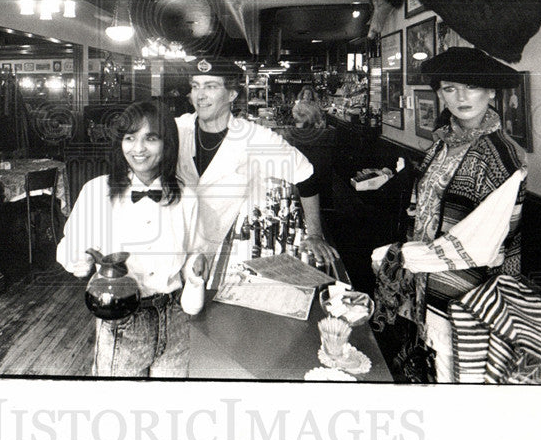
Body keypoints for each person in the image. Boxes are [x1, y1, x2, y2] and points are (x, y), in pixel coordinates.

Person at [370, 47, 526, 383]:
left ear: (491, 91)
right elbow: (423, 208)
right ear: (440, 94)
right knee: (429, 369)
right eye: (450, 88)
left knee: (461, 378)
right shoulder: (441, 145)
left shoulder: (502, 154)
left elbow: (484, 244)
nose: (461, 97)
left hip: (473, 292)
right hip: (427, 284)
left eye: (471, 86)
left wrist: (402, 256)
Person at [56, 99, 205, 377]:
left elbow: (193, 251)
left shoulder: (186, 197)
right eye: (130, 138)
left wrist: (196, 268)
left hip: (175, 318)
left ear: (168, 144)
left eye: (151, 138)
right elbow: (68, 252)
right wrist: (82, 258)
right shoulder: (96, 192)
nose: (138, 149)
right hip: (120, 321)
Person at [175, 56, 339, 274]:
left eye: (211, 86)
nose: (200, 95)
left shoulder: (254, 137)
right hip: (175, 250)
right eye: (195, 86)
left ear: (232, 94)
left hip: (225, 253)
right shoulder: (176, 129)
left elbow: (306, 175)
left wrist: (315, 235)